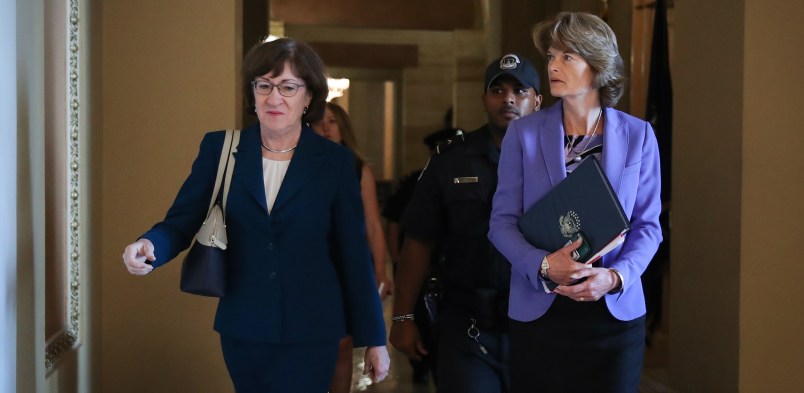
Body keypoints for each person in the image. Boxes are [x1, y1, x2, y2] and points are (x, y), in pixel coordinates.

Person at [121, 37, 390, 392]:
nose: (274, 97)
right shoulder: (221, 149)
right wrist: (148, 245)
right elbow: (181, 221)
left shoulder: (334, 162)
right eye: (264, 85)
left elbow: (353, 253)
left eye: (288, 87)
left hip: (313, 328)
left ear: (308, 97)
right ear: (252, 92)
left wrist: (375, 338)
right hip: (244, 324)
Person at [487, 12, 662, 393]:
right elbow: (501, 224)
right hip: (541, 311)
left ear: (597, 65)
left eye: (567, 56)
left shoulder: (639, 135)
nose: (552, 65)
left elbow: (648, 226)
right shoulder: (523, 134)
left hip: (614, 315)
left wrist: (615, 277)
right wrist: (545, 264)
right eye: (551, 56)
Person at [390, 54, 542, 393]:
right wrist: (402, 318)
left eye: (520, 90)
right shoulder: (450, 160)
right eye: (498, 90)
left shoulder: (557, 160)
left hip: (538, 326)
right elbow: (418, 242)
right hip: (468, 325)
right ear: (484, 99)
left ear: (537, 100)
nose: (508, 99)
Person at [312, 101, 392, 393]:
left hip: (347, 262)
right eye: (319, 121)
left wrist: (380, 273)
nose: (325, 127)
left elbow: (373, 226)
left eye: (332, 121)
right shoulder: (302, 166)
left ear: (343, 127)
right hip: (315, 262)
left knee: (343, 342)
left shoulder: (358, 168)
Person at [382, 119, 462, 385]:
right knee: (423, 321)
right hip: (421, 268)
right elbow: (394, 223)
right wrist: (395, 259)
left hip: (456, 272)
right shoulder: (416, 181)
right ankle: (421, 364)